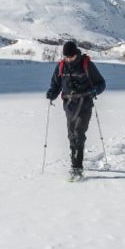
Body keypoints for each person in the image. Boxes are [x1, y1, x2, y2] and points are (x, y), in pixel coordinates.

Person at [46, 41, 106, 179]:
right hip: (69, 107)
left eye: (71, 57)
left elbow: (101, 83)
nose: (68, 59)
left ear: (76, 54)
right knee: (71, 136)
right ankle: (75, 157)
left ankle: (77, 168)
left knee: (78, 134)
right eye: (66, 57)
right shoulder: (61, 66)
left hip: (84, 105)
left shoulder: (86, 64)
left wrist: (94, 91)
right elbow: (56, 84)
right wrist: (52, 93)